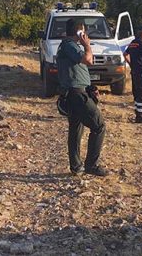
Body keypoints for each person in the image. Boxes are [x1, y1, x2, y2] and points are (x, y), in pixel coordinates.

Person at [56, 18, 108, 176]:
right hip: (76, 94)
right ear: (79, 32)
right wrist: (87, 45)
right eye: (84, 31)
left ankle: (76, 166)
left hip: (78, 91)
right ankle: (91, 165)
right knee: (99, 126)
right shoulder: (69, 45)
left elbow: (79, 70)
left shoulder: (69, 46)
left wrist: (90, 87)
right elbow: (88, 60)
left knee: (76, 129)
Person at [124, 25, 142, 123]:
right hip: (141, 70)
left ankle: (138, 113)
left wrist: (131, 63)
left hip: (134, 70)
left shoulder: (133, 43)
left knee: (136, 91)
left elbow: (125, 54)